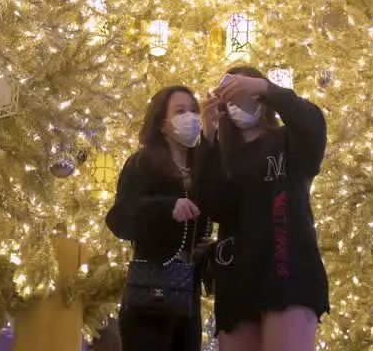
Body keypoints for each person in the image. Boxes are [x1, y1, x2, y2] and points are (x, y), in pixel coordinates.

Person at [202, 66, 329, 351]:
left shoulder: (288, 141)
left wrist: (266, 89)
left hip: (288, 271)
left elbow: (312, 123)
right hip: (236, 277)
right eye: (230, 98)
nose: (238, 104)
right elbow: (211, 204)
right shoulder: (222, 158)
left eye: (244, 93)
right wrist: (207, 139)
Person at [105, 85, 213, 351]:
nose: (190, 116)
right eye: (180, 111)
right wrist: (166, 209)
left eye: (193, 110)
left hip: (188, 296)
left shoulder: (203, 168)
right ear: (163, 123)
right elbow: (118, 218)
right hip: (149, 298)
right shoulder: (141, 164)